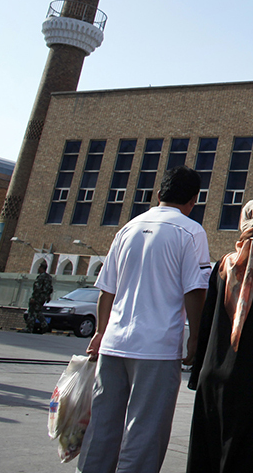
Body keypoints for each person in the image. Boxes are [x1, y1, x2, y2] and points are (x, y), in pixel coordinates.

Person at [77, 166, 212, 473]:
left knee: (102, 428)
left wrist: (100, 332)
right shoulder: (191, 231)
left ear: (159, 193)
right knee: (145, 433)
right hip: (157, 349)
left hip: (113, 345)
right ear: (194, 199)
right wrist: (195, 338)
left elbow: (106, 291)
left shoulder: (127, 229)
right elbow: (195, 290)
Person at [186, 199, 253, 473]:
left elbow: (207, 324)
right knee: (245, 458)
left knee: (207, 453)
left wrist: (197, 372)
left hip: (211, 378)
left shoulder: (223, 266)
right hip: (252, 382)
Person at [24, 260, 53, 334]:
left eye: (39, 267)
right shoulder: (49, 277)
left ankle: (30, 328)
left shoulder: (41, 277)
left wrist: (33, 297)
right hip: (43, 298)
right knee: (38, 311)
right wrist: (48, 296)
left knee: (32, 312)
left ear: (41, 268)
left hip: (38, 297)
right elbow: (50, 288)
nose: (38, 269)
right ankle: (44, 324)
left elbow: (37, 288)